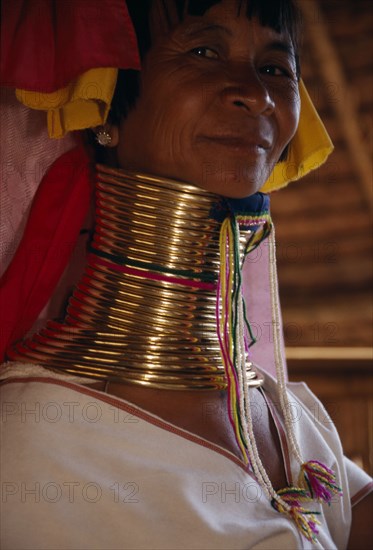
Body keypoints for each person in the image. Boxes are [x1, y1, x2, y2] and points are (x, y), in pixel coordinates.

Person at [0, 1, 372, 548]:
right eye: (203, 51)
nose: (256, 93)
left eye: (275, 67)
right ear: (106, 105)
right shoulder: (39, 444)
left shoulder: (284, 416)